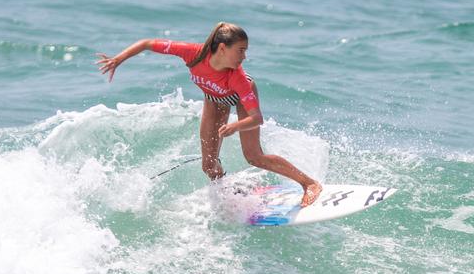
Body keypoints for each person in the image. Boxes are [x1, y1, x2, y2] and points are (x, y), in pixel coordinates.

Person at [96, 22, 322, 207]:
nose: (244, 57)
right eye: (240, 50)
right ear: (222, 48)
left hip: (240, 98)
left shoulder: (239, 78)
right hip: (214, 99)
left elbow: (257, 117)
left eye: (245, 51)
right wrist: (119, 59)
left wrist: (235, 126)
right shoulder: (192, 53)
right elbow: (147, 43)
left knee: (254, 156)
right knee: (209, 166)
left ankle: (309, 183)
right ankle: (232, 192)